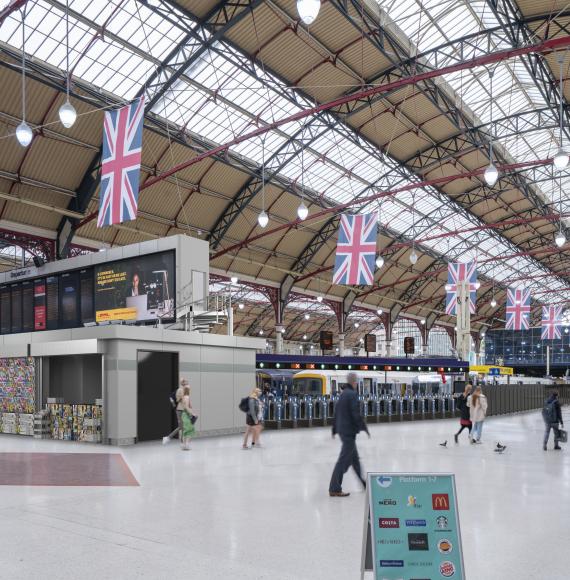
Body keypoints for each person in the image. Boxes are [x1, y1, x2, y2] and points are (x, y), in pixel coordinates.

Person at [329, 373, 370, 497]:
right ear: (354, 382)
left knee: (354, 460)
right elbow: (355, 414)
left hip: (343, 430)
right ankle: (334, 488)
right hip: (348, 432)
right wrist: (364, 427)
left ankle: (364, 483)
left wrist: (335, 428)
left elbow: (337, 412)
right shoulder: (352, 394)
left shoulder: (343, 394)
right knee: (343, 461)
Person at [162, 379, 187, 445]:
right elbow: (172, 397)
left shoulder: (185, 390)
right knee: (181, 426)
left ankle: (182, 442)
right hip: (179, 410)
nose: (186, 383)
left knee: (183, 426)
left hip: (182, 409)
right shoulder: (180, 390)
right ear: (182, 383)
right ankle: (168, 438)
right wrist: (174, 403)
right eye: (184, 382)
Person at [179, 385, 196, 450]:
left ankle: (184, 445)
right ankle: (187, 445)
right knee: (190, 429)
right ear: (188, 390)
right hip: (186, 415)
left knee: (185, 430)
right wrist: (192, 414)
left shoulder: (183, 397)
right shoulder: (187, 397)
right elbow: (187, 407)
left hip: (183, 414)